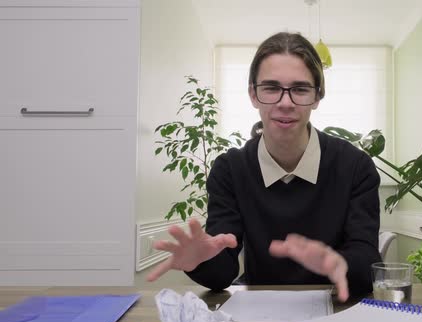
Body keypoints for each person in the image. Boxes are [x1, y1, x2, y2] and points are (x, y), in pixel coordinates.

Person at [147, 32, 381, 302]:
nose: (285, 102)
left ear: (317, 96)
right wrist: (199, 261)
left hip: (336, 307)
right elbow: (222, 272)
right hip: (259, 312)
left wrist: (340, 263)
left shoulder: (355, 166)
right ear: (253, 95)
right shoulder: (230, 169)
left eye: (300, 89)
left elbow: (365, 263)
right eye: (271, 88)